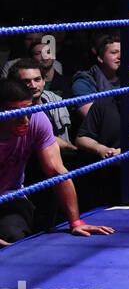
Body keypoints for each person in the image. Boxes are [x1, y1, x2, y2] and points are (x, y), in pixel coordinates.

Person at [0, 79, 114, 246]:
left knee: (14, 237)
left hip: (10, 198)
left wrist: (75, 222)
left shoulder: (37, 119)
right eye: (16, 113)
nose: (24, 120)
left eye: (28, 111)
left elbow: (56, 171)